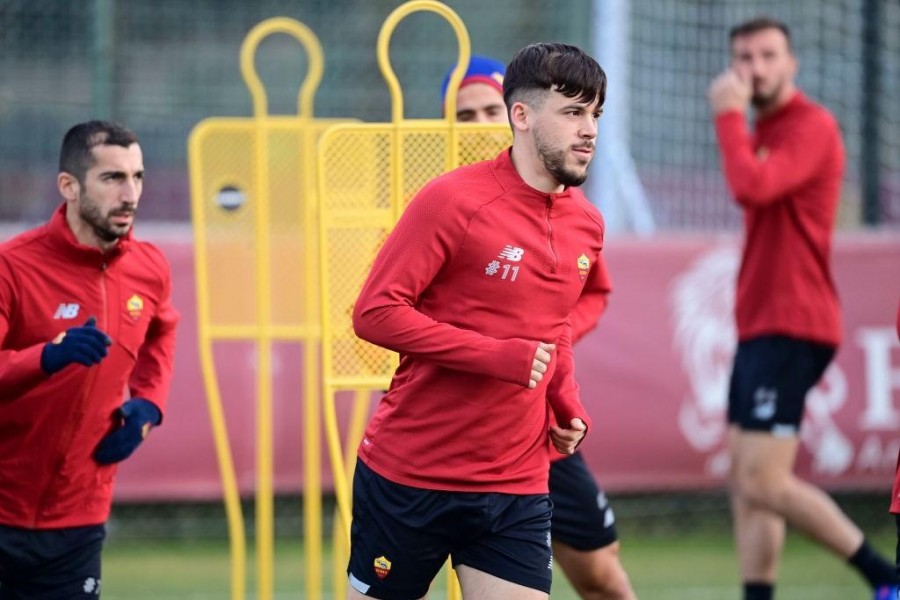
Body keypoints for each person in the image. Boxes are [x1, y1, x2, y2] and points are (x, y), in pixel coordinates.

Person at [347, 42, 606, 600]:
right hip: (409, 477)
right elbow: (374, 314)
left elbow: (555, 325)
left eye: (595, 114)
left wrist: (567, 404)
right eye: (572, 112)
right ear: (522, 115)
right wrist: (495, 355)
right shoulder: (451, 200)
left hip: (516, 484)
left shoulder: (587, 223)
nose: (588, 130)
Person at [707, 17, 897, 600]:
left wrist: (726, 116)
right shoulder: (766, 128)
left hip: (794, 323)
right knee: (748, 483)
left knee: (764, 479)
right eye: (744, 58)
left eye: (767, 56)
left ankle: (885, 577)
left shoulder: (811, 126)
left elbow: (752, 187)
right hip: (760, 324)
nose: (755, 69)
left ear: (792, 64)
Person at [439, 55, 636, 600]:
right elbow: (379, 310)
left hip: (535, 423)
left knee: (599, 574)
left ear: (518, 115)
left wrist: (542, 342)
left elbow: (591, 295)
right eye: (464, 115)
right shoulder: (435, 200)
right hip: (447, 432)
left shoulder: (567, 204)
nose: (479, 125)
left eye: (488, 110)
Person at [0, 120, 179, 597]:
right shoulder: (13, 267)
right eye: (112, 178)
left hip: (79, 519)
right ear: (70, 187)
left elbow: (163, 331)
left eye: (138, 177)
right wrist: (48, 357)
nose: (130, 194)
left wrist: (148, 406)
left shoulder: (150, 267)